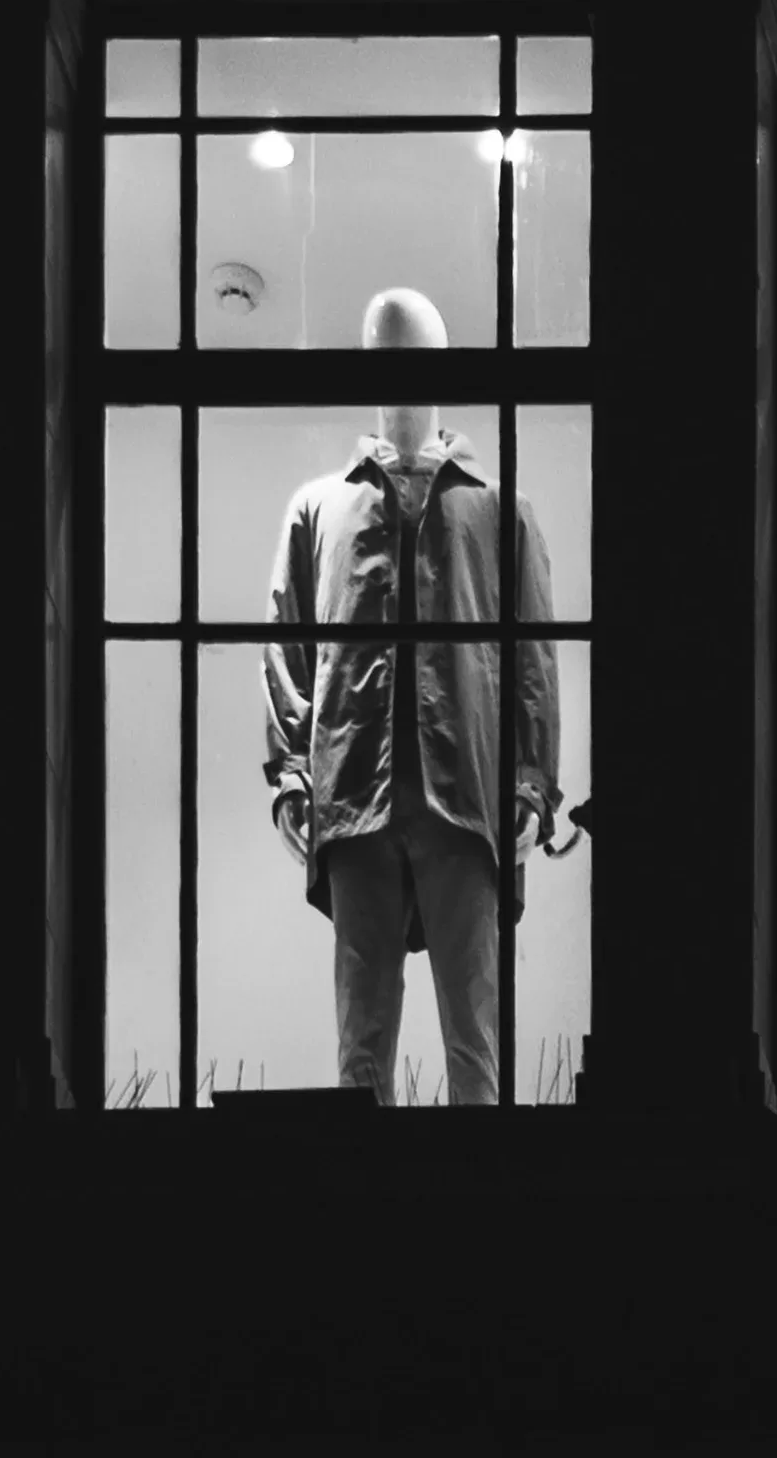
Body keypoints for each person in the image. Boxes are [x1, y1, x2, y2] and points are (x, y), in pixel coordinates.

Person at [263, 289, 561, 1105]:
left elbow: (532, 654)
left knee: (476, 1042)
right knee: (361, 1049)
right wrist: (293, 772)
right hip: (353, 793)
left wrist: (531, 778)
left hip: (464, 795)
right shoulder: (319, 507)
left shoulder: (500, 507)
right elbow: (289, 641)